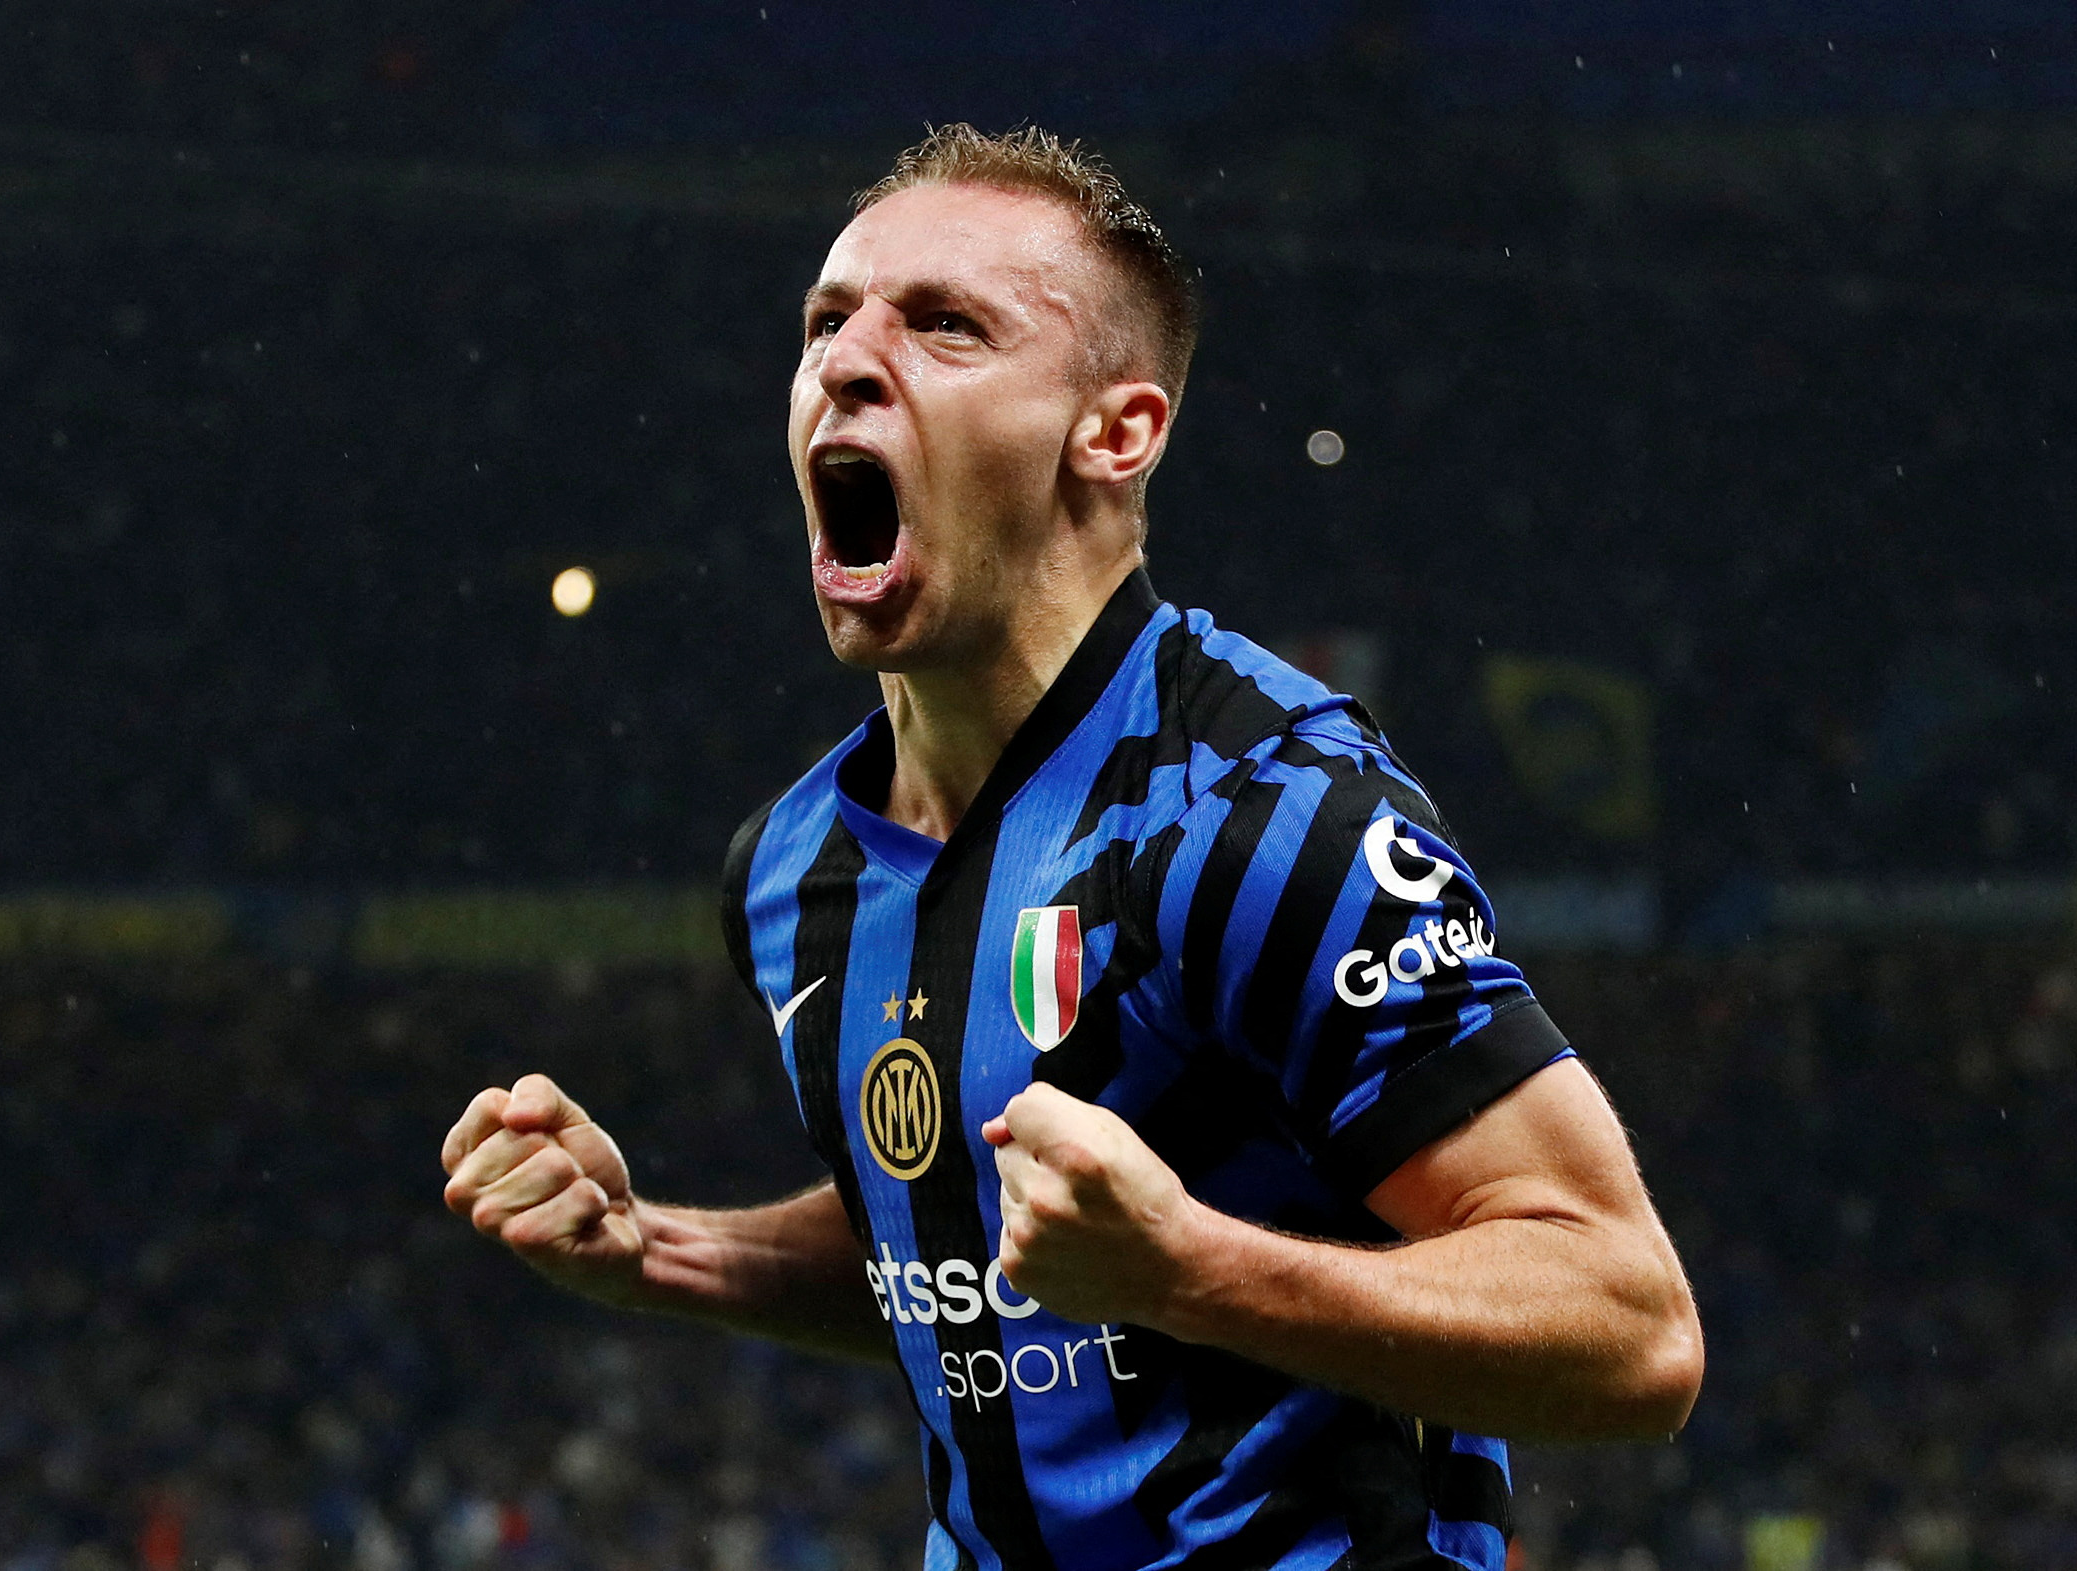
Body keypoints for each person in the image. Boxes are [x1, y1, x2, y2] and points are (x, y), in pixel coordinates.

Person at [442, 123, 1702, 1569]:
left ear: (1115, 433)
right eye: (825, 323)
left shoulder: (1269, 808)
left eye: (943, 326)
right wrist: (659, 1251)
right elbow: (968, 1259)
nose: (849, 360)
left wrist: (1191, 1271)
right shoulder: (797, 869)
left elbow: (1630, 1326)